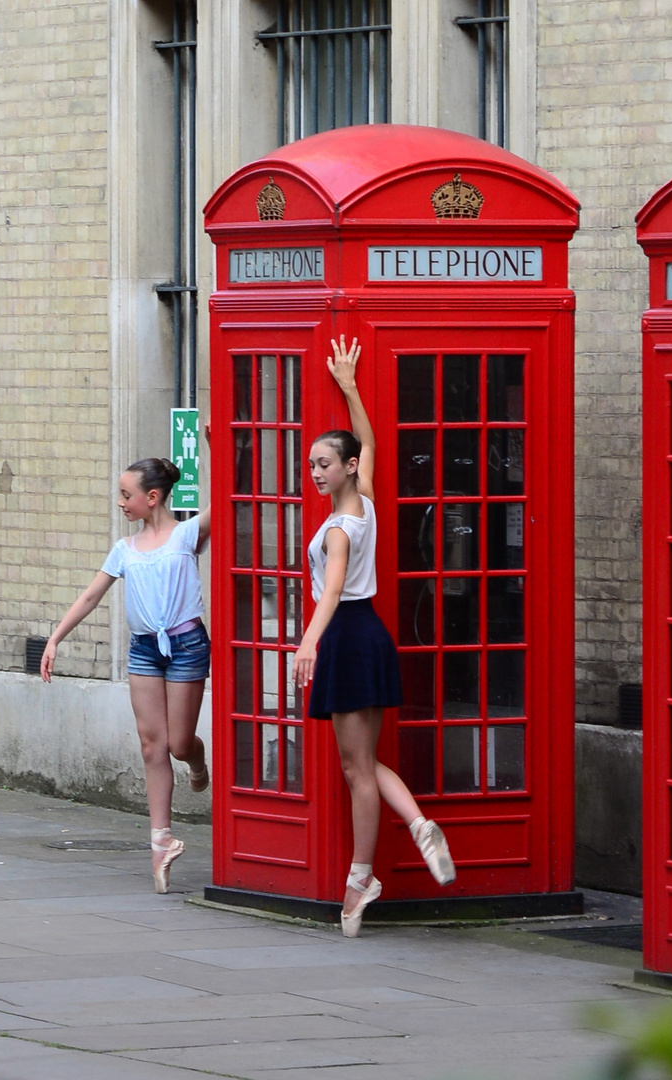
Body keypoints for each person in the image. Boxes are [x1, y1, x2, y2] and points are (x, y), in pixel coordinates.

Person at [293, 336, 456, 938]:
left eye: (324, 465)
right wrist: (351, 386)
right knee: (365, 763)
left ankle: (363, 875)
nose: (315, 473)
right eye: (311, 465)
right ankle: (414, 825)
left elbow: (331, 590)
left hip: (343, 632)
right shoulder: (367, 505)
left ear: (347, 467)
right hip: (371, 633)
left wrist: (308, 641)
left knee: (356, 768)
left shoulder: (339, 526)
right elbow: (375, 445)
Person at [41, 457, 211, 895]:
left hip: (186, 644)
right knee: (152, 745)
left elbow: (232, 502)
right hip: (144, 650)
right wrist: (55, 638)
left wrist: (222, 445)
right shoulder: (124, 548)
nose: (120, 502)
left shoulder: (187, 534)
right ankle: (161, 843)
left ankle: (196, 758)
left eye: (126, 494)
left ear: (151, 497)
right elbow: (91, 596)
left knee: (177, 743)